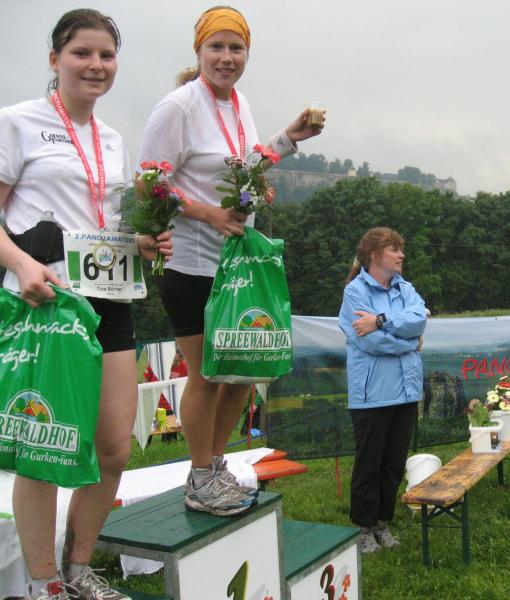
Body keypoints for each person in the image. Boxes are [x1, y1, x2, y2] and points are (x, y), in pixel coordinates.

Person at [0, 9, 172, 600]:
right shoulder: (17, 122)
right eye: (82, 53)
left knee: (114, 448)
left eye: (106, 55)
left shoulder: (113, 139)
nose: (96, 65)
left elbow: (100, 226)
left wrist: (141, 243)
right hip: (45, 302)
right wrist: (20, 264)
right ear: (55, 60)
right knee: (47, 447)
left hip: (108, 299)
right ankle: (44, 584)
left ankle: (78, 569)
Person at [138, 6, 324, 517]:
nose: (226, 57)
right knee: (208, 376)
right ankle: (200, 477)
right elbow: (148, 181)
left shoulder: (240, 103)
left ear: (247, 54)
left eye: (236, 48)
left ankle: (215, 467)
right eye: (216, 47)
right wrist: (209, 214)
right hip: (191, 264)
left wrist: (286, 141)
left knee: (241, 374)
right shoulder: (178, 107)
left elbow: (244, 168)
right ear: (198, 51)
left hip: (238, 264)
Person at [338, 227, 428, 554]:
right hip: (371, 396)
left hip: (406, 391)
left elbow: (418, 321)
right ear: (375, 256)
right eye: (394, 249)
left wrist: (380, 319)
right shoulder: (355, 292)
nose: (402, 255)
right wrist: (409, 344)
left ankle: (381, 523)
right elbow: (371, 343)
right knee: (370, 465)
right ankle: (362, 528)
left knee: (393, 464)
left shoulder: (406, 288)